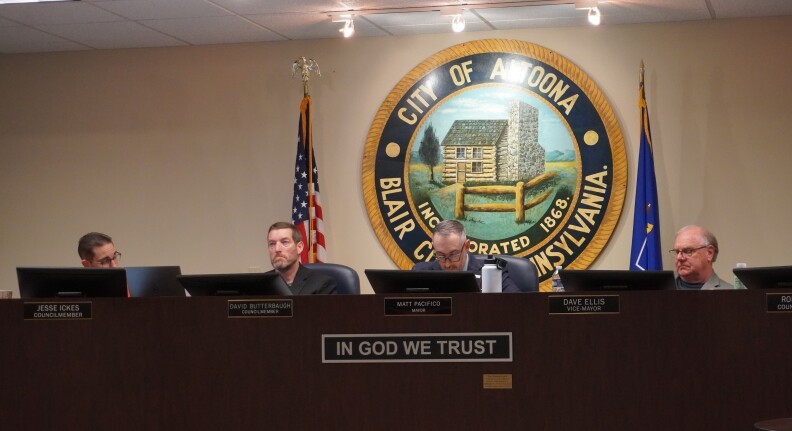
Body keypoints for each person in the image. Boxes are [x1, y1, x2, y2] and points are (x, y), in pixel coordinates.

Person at [412, 220, 521, 292]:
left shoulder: (492, 271)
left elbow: (517, 303)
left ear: (467, 246)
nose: (447, 264)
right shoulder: (420, 272)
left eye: (454, 255)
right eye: (440, 255)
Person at [266, 222, 337, 295]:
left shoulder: (322, 283)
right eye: (272, 244)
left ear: (299, 247)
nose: (277, 249)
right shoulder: (260, 284)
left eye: (285, 242)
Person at [671, 225, 734, 290]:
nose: (679, 257)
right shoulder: (661, 290)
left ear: (709, 253)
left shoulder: (732, 294)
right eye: (677, 252)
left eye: (688, 251)